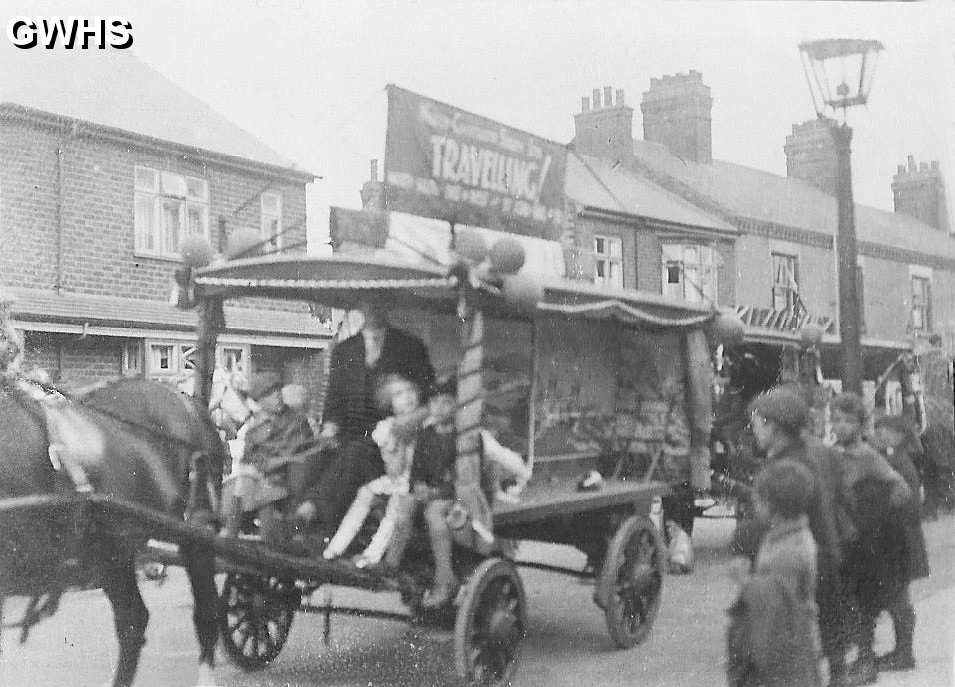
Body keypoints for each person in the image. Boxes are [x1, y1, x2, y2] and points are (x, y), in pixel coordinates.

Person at [732, 385, 848, 686]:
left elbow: (769, 516)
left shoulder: (786, 465)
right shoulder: (808, 452)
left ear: (775, 426)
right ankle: (837, 674)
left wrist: (742, 541)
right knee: (823, 622)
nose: (754, 429)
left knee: (792, 631)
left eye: (757, 422)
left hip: (801, 553)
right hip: (823, 548)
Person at [384, 378, 532, 609]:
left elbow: (466, 481)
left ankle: (445, 577)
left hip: (459, 496)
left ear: (456, 406)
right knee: (404, 505)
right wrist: (419, 487)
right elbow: (417, 472)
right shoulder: (427, 435)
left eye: (446, 403)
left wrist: (433, 492)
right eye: (435, 403)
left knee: (434, 513)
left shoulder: (468, 439)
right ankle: (390, 564)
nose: (439, 408)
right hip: (433, 492)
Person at [295, 297, 434, 534]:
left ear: (388, 304)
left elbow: (430, 398)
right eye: (368, 301)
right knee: (314, 454)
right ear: (360, 304)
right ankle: (298, 523)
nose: (373, 307)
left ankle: (313, 513)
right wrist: (329, 428)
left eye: (379, 299)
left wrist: (412, 419)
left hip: (394, 440)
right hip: (349, 435)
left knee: (357, 452)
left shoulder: (410, 346)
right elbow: (334, 401)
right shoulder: (344, 350)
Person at [828, 392, 912, 686]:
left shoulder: (867, 456)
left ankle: (866, 662)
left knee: (864, 603)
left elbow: (900, 488)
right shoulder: (833, 455)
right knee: (846, 603)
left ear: (861, 424)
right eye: (836, 419)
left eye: (848, 420)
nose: (841, 426)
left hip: (865, 543)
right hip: (842, 540)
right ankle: (856, 661)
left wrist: (874, 518)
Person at [727, 459, 822, 687]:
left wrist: (744, 582)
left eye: (758, 501)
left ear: (773, 507)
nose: (754, 505)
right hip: (790, 633)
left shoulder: (788, 552)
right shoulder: (787, 534)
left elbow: (775, 600)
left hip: (784, 638)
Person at [322, 374, 420, 567]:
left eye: (410, 391)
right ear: (389, 403)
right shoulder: (386, 428)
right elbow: (394, 470)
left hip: (417, 481)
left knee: (396, 505)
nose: (407, 397)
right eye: (399, 394)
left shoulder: (425, 424)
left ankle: (372, 555)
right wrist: (397, 439)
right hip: (397, 478)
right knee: (365, 493)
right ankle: (335, 547)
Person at [868, 414, 930, 673]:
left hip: (899, 540)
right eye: (877, 432)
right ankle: (902, 652)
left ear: (899, 436)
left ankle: (904, 654)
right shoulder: (899, 459)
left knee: (898, 597)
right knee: (898, 595)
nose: (878, 436)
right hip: (902, 538)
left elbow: (903, 504)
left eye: (885, 433)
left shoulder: (897, 463)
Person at [224, 375, 315, 539]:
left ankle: (249, 540)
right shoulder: (254, 427)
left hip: (288, 477)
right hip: (263, 477)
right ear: (259, 400)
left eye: (278, 391)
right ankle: (232, 536)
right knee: (245, 482)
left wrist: (266, 466)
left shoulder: (296, 421)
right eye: (270, 394)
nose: (277, 396)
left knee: (260, 490)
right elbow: (250, 457)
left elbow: (295, 452)